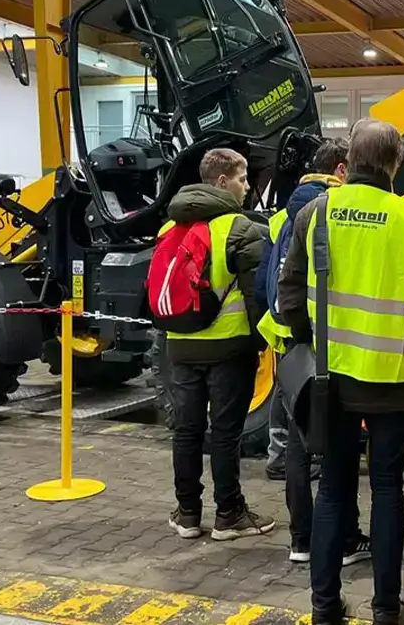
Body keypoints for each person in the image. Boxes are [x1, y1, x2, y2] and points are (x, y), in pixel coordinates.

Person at [278, 119, 404, 625]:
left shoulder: (314, 213)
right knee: (387, 489)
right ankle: (386, 609)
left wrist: (309, 345)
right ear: (396, 163)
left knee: (332, 488)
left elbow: (289, 296)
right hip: (393, 383)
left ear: (349, 161)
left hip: (330, 381)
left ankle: (325, 606)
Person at [254, 138, 371, 566]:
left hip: (288, 350)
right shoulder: (339, 210)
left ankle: (301, 540)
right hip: (330, 348)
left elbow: (262, 285)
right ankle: (344, 540)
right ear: (341, 170)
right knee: (339, 449)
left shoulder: (281, 217)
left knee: (298, 450)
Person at [164, 147, 275, 541]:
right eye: (243, 179)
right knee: (225, 434)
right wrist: (263, 343)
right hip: (228, 351)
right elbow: (257, 295)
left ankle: (187, 514)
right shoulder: (239, 228)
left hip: (179, 346)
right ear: (223, 181)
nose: (247, 187)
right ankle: (229, 513)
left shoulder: (169, 228)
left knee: (187, 431)